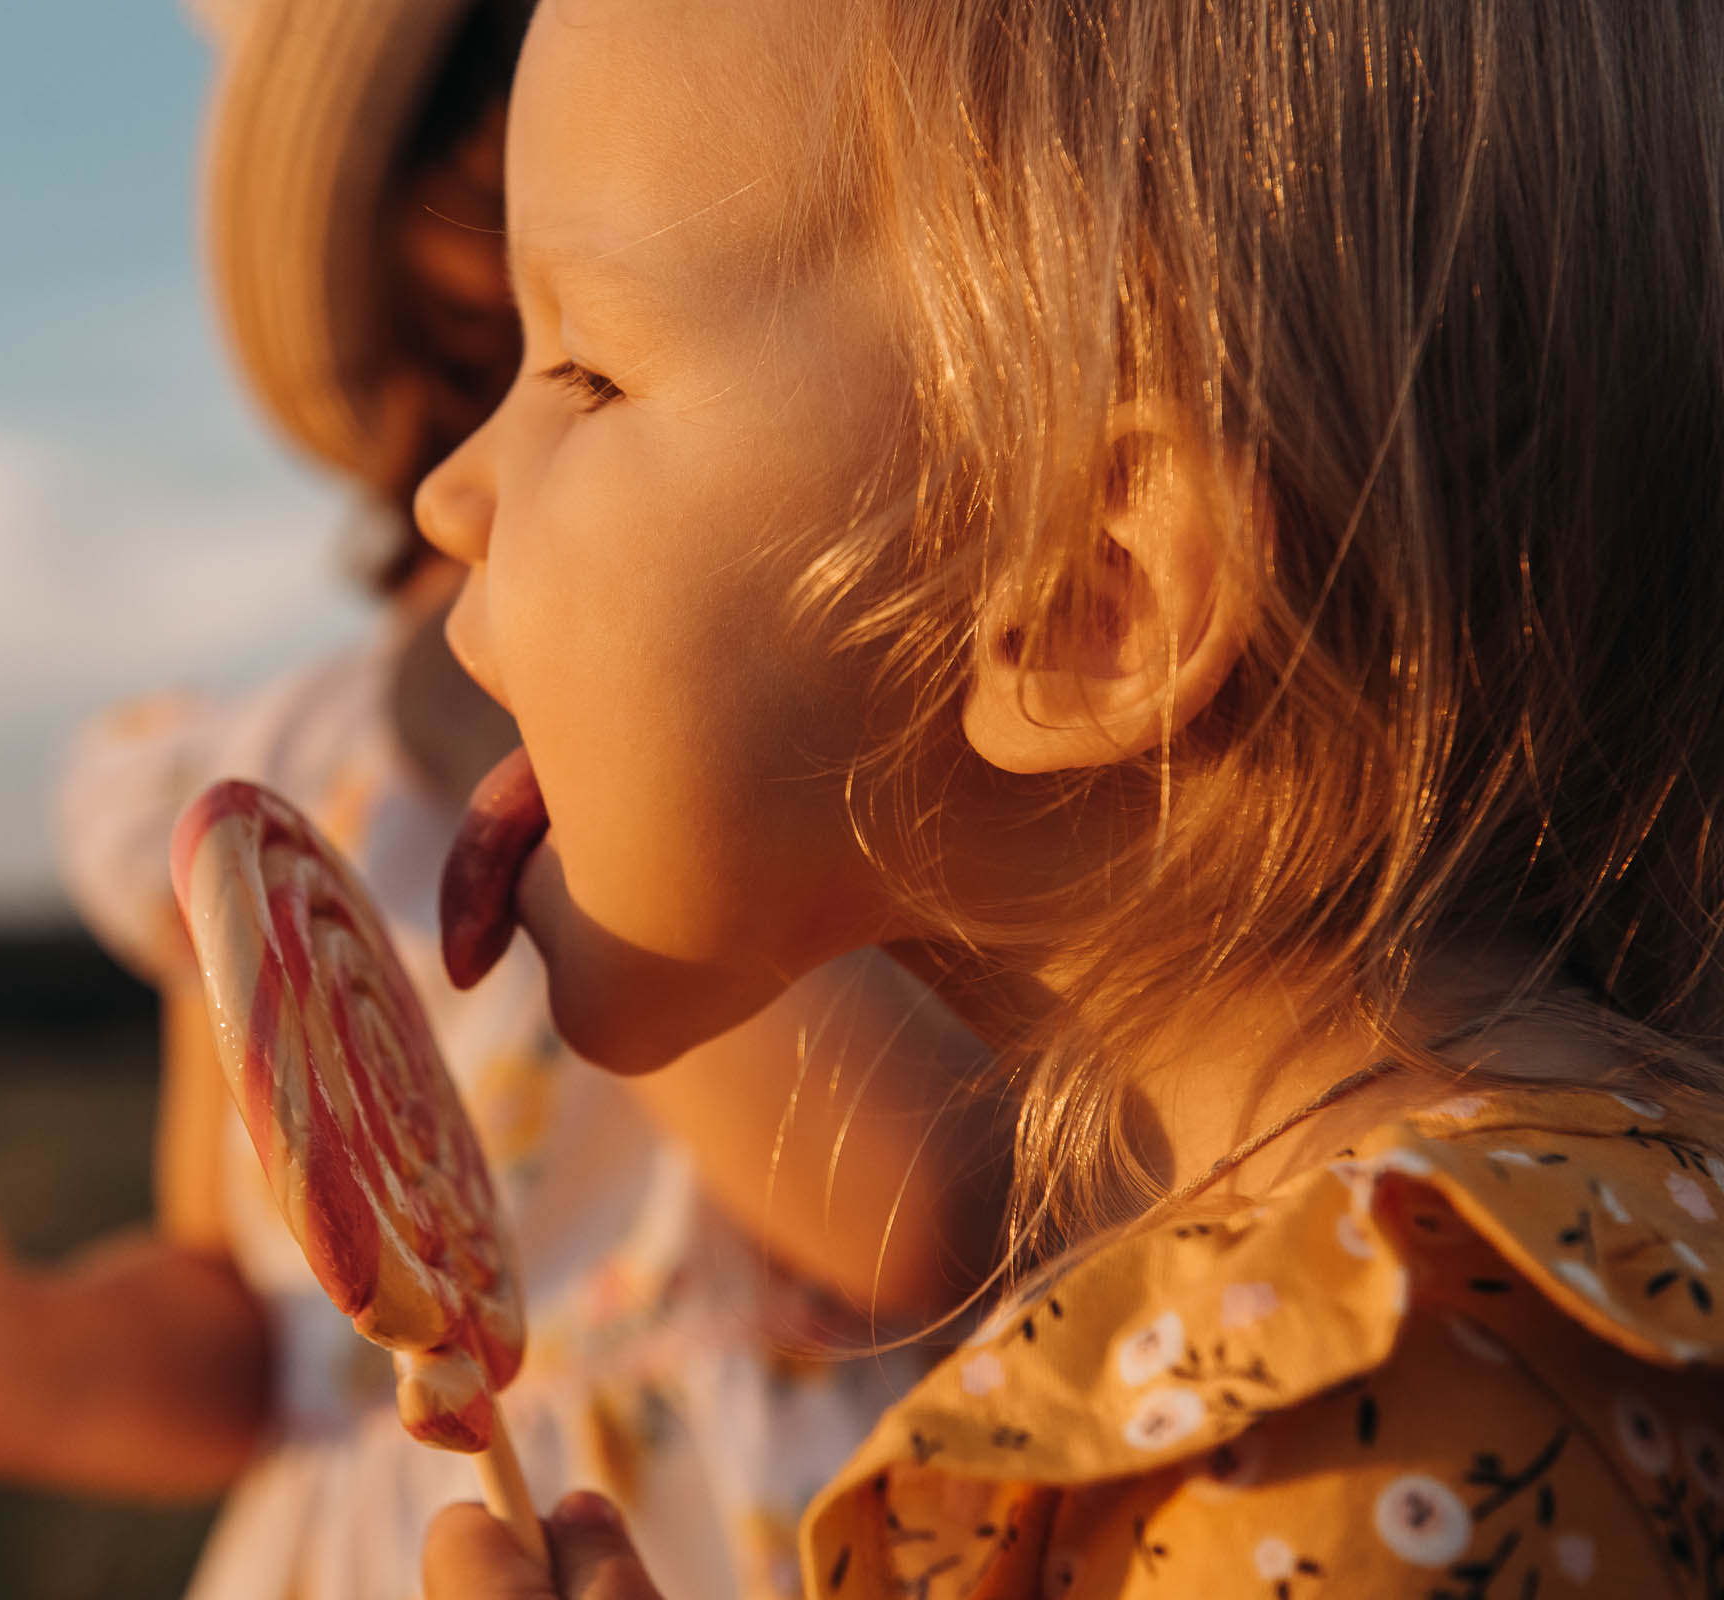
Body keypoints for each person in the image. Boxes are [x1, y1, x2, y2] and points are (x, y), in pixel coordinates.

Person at [412, 1, 1724, 1596]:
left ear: (1093, 599)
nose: (448, 494)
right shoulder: (1509, 1270)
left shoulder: (1360, 1429)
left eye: (585, 368)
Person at [0, 3, 1004, 1597]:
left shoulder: (837, 679)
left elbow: (929, 1216)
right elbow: (253, 1321)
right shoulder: (281, 768)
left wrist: (559, 743)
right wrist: (8, 1348)